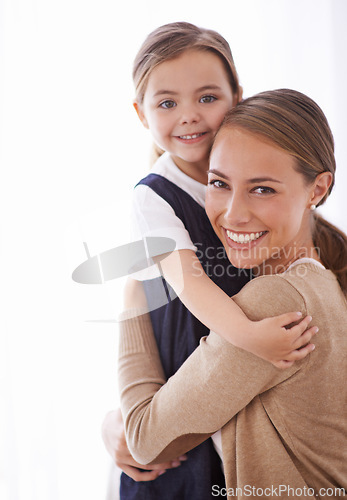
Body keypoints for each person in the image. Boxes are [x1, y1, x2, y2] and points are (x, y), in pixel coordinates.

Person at [103, 23, 316, 499]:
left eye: (207, 97)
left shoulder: (266, 173)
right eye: (167, 103)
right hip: (185, 363)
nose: (189, 117)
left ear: (237, 96)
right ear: (141, 114)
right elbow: (189, 281)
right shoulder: (153, 197)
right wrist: (250, 338)